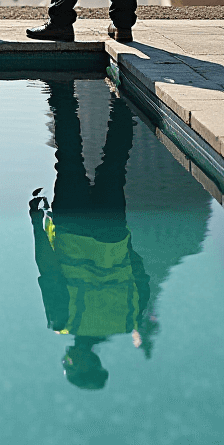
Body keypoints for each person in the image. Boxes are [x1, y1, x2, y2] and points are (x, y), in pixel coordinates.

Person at [28, 81, 150, 391]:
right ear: (81, 363)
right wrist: (35, 222)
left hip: (111, 230)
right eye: (69, 366)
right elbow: (48, 269)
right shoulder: (62, 322)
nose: (65, 361)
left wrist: (123, 238)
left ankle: (121, 98)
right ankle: (63, 90)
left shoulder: (128, 319)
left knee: (115, 161)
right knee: (69, 156)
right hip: (73, 225)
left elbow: (139, 272)